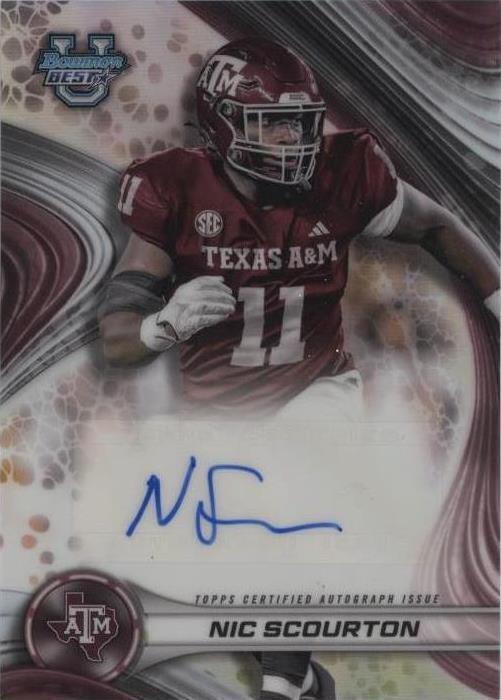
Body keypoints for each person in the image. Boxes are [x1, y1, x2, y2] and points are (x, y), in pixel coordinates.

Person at [99, 37, 499, 700]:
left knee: (292, 492)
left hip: (317, 384)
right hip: (217, 407)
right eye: (273, 123)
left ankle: (283, 685)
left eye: (302, 122)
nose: (294, 140)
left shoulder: (346, 174)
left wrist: (495, 299)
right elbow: (117, 340)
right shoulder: (175, 189)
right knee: (228, 571)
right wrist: (160, 324)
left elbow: (434, 227)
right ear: (223, 123)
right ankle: (306, 679)